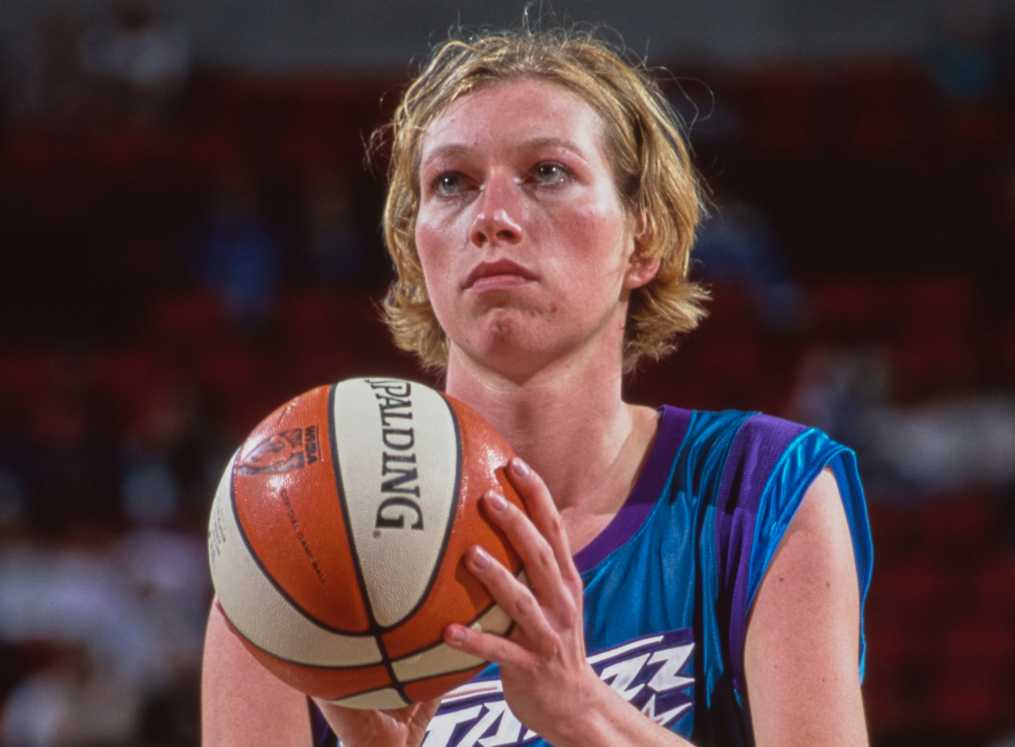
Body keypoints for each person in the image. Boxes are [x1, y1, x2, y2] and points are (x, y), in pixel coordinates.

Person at [201, 26, 873, 747]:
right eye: (451, 183)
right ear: (414, 247)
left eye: (547, 172)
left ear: (642, 238)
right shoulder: (288, 546)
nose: (492, 217)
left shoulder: (758, 488)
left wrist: (583, 712)